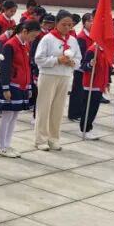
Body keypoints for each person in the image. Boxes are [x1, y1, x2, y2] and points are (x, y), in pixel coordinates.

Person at [33, 10, 80, 151]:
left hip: (64, 76)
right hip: (49, 76)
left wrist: (73, 62)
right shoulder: (48, 39)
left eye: (70, 25)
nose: (67, 27)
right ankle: (41, 139)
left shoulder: (73, 40)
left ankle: (54, 138)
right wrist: (57, 60)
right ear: (56, 23)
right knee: (44, 108)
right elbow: (39, 59)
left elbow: (79, 58)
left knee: (58, 109)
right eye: (64, 24)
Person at [0, 20, 40, 157]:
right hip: (12, 86)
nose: (33, 39)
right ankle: (1, 146)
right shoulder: (10, 45)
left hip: (22, 86)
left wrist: (29, 86)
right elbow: (5, 68)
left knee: (14, 116)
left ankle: (7, 144)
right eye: (32, 36)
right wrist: (5, 88)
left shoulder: (25, 45)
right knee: (7, 116)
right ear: (25, 31)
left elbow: (27, 67)